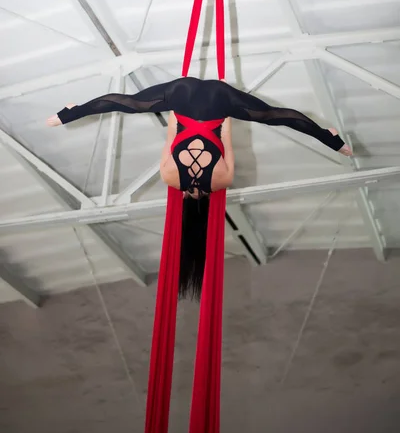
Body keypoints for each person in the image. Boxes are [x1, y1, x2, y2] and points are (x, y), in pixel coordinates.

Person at [47, 76, 352, 298]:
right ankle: (72, 111)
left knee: (273, 116)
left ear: (206, 209)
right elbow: (172, 134)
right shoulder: (170, 178)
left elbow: (225, 138)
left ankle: (330, 139)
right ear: (183, 205)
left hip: (220, 100)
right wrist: (179, 114)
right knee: (128, 104)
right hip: (181, 95)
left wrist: (226, 111)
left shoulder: (222, 181)